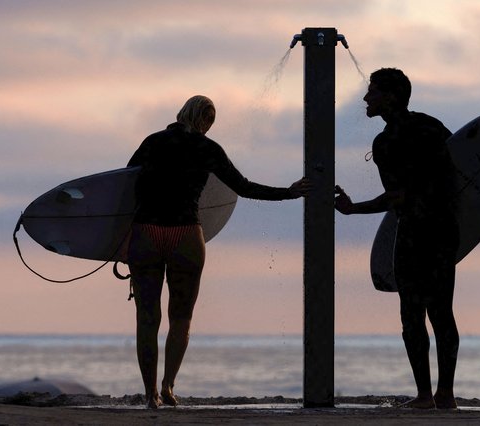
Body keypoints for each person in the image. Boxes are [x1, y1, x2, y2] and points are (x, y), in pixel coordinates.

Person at [126, 95, 310, 409]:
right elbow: (244, 187)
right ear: (206, 122)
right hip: (186, 234)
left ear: (182, 113)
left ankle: (150, 395)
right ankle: (168, 387)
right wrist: (289, 193)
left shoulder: (153, 142)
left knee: (147, 318)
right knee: (181, 318)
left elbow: (125, 182)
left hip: (147, 233)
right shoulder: (209, 150)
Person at [334, 68, 459, 409]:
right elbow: (460, 173)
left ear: (390, 96)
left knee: (412, 316)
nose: (365, 98)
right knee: (442, 313)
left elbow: (395, 198)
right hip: (445, 230)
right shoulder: (431, 125)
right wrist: (478, 218)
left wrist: (351, 208)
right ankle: (444, 395)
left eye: (372, 92)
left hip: (416, 234)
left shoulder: (386, 142)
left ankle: (424, 396)